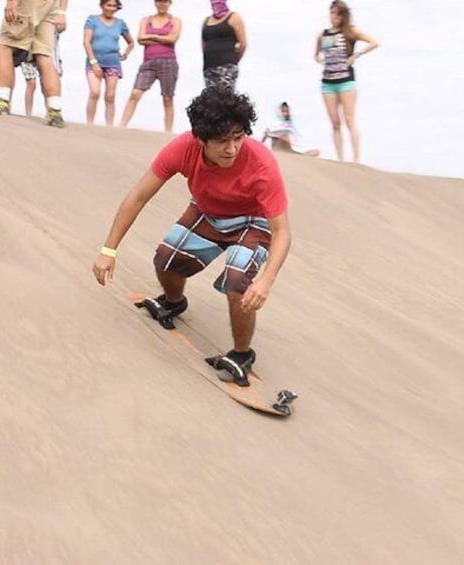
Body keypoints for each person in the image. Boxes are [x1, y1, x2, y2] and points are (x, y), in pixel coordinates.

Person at [92, 86, 291, 386]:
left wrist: (266, 280)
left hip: (252, 221)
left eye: (238, 137)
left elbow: (282, 232)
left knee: (239, 282)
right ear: (200, 139)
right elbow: (138, 196)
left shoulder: (261, 162)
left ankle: (241, 354)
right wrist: (109, 251)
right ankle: (174, 302)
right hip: (207, 212)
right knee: (165, 259)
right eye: (222, 141)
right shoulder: (183, 148)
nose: (232, 148)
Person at [0, 0, 68, 128]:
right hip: (51, 5)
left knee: (5, 46)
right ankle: (55, 110)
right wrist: (62, 12)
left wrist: (12, 2)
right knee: (44, 55)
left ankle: (1, 102)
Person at [315, 0, 378, 163]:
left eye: (337, 13)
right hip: (328, 82)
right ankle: (340, 160)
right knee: (335, 123)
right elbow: (316, 55)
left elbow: (374, 42)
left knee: (349, 119)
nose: (333, 16)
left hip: (346, 81)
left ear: (343, 16)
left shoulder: (350, 31)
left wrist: (356, 55)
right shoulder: (323, 34)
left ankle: (356, 159)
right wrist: (321, 61)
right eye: (332, 12)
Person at [119, 0, 182, 132]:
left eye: (165, 1)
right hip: (148, 62)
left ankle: (168, 132)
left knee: (167, 97)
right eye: (159, 1)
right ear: (155, 3)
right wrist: (162, 37)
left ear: (170, 3)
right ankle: (121, 126)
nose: (162, 4)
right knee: (135, 93)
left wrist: (152, 36)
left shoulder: (175, 20)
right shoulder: (146, 20)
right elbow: (140, 38)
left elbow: (172, 39)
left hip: (168, 61)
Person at [84, 0, 134, 126]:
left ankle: (109, 127)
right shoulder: (92, 20)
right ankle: (89, 124)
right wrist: (93, 62)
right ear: (102, 6)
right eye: (109, 5)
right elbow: (86, 42)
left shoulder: (120, 23)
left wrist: (125, 54)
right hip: (94, 61)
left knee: (110, 96)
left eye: (114, 6)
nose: (111, 8)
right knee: (95, 92)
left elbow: (131, 42)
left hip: (113, 63)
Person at [201, 0, 246, 89]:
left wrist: (234, 60)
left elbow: (243, 44)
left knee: (225, 97)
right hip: (209, 67)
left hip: (227, 65)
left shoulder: (234, 17)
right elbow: (204, 45)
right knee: (210, 99)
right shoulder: (206, 21)